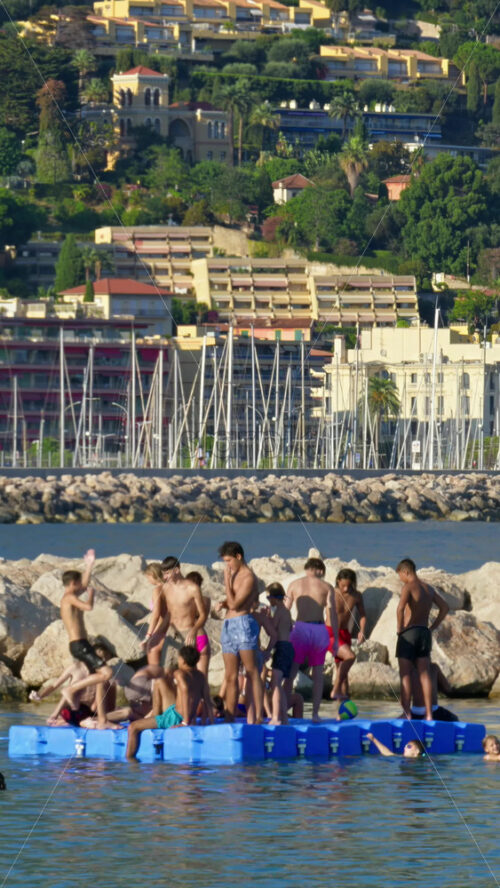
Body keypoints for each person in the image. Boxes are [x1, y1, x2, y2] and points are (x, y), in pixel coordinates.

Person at [126, 646, 213, 759]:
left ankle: (130, 761)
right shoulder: (200, 676)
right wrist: (210, 720)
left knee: (132, 727)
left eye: (179, 658)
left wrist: (185, 722)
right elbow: (207, 698)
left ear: (183, 660)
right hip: (175, 712)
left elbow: (185, 690)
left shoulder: (180, 673)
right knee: (159, 681)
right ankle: (155, 718)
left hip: (175, 717)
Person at [395, 558, 449, 721]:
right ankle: (429, 714)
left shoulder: (408, 587)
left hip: (409, 633)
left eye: (400, 576)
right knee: (424, 674)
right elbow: (445, 608)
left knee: (405, 675)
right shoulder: (428, 588)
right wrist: (432, 627)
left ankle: (407, 714)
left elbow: (400, 609)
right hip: (424, 633)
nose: (400, 579)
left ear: (405, 572)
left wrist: (400, 629)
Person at [285, 557, 338, 722]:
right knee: (318, 674)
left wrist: (284, 630)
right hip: (319, 629)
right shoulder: (327, 587)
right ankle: (315, 714)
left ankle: (281, 709)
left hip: (300, 628)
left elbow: (285, 609)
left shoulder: (294, 584)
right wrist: (335, 638)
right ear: (320, 571)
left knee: (292, 671)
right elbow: (332, 615)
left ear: (306, 569)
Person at [217, 541, 263, 724]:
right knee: (230, 675)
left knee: (251, 672)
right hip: (228, 625)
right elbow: (237, 602)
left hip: (243, 624)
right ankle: (230, 716)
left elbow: (236, 604)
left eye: (228, 561)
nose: (227, 565)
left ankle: (258, 716)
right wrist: (224, 603)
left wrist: (227, 582)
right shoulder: (235, 575)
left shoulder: (248, 576)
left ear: (238, 556)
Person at [60, 550, 112, 688]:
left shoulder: (70, 596)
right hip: (79, 645)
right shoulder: (69, 598)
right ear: (73, 583)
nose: (82, 586)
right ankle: (70, 690)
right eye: (78, 582)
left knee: (94, 675)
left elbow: (83, 584)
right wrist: (91, 595)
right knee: (107, 673)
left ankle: (88, 705)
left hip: (80, 644)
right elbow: (88, 607)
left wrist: (89, 565)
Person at [156, 557, 208, 666]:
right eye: (163, 574)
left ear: (176, 570)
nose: (165, 577)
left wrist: (193, 631)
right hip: (172, 634)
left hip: (188, 634)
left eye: (167, 573)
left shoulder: (192, 588)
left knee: (188, 673)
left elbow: (203, 615)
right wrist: (157, 634)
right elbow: (169, 614)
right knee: (166, 673)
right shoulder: (166, 588)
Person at [329, 568, 367, 701]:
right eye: (343, 585)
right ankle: (335, 689)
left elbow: (362, 615)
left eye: (349, 585)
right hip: (330, 633)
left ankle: (343, 707)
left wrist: (362, 630)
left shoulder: (356, 596)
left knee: (343, 673)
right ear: (338, 581)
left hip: (345, 633)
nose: (345, 589)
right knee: (350, 657)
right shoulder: (331, 593)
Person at [265, 583, 294, 725]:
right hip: (288, 647)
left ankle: (276, 717)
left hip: (281, 647)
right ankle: (285, 718)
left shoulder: (279, 611)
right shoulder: (287, 612)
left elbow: (272, 631)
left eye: (268, 597)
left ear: (274, 598)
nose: (268, 601)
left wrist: (266, 617)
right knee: (279, 685)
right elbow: (288, 628)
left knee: (275, 684)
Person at [185, 570, 211, 678]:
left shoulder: (186, 600)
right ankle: (204, 695)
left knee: (187, 676)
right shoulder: (206, 600)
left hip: (188, 637)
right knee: (203, 677)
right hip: (201, 636)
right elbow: (203, 618)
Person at [142, 563, 169, 667]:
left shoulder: (157, 590)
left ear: (153, 575)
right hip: (171, 627)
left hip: (162, 629)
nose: (148, 581)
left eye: (148, 577)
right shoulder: (171, 587)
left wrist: (148, 635)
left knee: (155, 665)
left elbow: (157, 614)